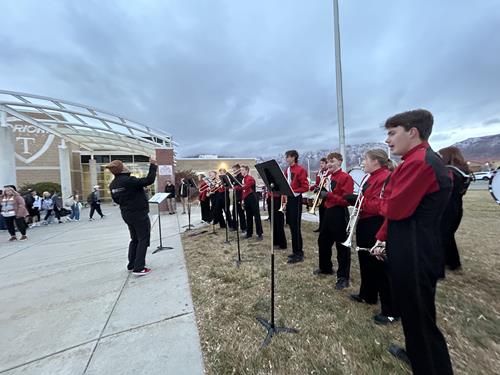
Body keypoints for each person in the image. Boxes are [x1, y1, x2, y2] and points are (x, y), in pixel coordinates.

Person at [372, 109, 453, 374]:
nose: (387, 140)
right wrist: (384, 238)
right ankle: (417, 355)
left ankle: (431, 365)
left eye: (392, 133)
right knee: (413, 311)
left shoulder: (420, 162)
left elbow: (393, 208)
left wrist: (383, 197)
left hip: (417, 253)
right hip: (409, 246)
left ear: (413, 132)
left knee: (421, 318)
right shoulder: (414, 160)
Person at [348, 149, 399, 324]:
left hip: (375, 223)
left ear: (376, 161)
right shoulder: (371, 177)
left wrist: (358, 201)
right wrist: (358, 200)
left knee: (379, 265)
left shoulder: (385, 177)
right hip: (366, 221)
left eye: (366, 160)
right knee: (365, 260)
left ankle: (390, 309)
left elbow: (381, 205)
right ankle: (367, 294)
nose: (363, 163)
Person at [107, 158, 158, 276]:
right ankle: (139, 267)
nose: (126, 166)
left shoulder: (113, 184)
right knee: (143, 239)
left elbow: (117, 200)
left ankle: (131, 264)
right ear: (122, 169)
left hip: (127, 214)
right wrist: (153, 165)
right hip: (139, 213)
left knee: (134, 239)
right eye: (124, 165)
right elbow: (149, 180)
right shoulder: (129, 180)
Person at [315, 153, 354, 289]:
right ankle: (325, 268)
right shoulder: (327, 176)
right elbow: (327, 194)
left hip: (339, 212)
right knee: (323, 241)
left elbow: (346, 201)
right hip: (328, 211)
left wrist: (329, 195)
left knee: (342, 246)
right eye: (328, 161)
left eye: (333, 161)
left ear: (340, 162)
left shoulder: (346, 177)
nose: (329, 164)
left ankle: (343, 277)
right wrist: (320, 191)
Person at [439, 146, 472, 271]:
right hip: (456, 207)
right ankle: (453, 263)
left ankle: (441, 265)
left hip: (446, 208)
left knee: (441, 236)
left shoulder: (450, 172)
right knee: (448, 235)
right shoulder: (463, 172)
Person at [283, 150, 309, 264]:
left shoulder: (301, 170)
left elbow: (305, 187)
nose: (286, 159)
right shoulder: (287, 170)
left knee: (296, 227)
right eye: (286, 157)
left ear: (294, 157)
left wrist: (293, 191)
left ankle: (299, 253)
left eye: (288, 157)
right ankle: (295, 251)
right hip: (289, 199)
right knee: (291, 226)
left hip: (296, 199)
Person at [238, 165, 263, 240]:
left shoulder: (250, 178)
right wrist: (242, 199)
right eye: (241, 170)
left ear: (246, 170)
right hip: (246, 199)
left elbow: (246, 187)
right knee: (248, 216)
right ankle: (249, 233)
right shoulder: (243, 178)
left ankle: (259, 234)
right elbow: (243, 191)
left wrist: (236, 187)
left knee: (256, 216)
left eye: (242, 170)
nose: (241, 171)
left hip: (252, 198)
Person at [310, 157, 328, 232]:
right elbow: (317, 183)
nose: (321, 165)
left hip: (325, 193)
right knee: (321, 210)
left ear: (327, 164)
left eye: (323, 163)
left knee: (326, 211)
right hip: (319, 193)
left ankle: (325, 228)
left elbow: (327, 184)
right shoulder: (319, 173)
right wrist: (313, 187)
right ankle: (320, 227)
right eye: (320, 163)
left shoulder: (329, 172)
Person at [231, 164, 247, 233]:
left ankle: (243, 228)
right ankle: (235, 226)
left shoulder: (241, 176)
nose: (233, 171)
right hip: (236, 196)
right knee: (234, 212)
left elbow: (241, 186)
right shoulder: (235, 177)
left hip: (240, 197)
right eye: (233, 170)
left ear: (238, 169)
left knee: (241, 213)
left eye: (234, 170)